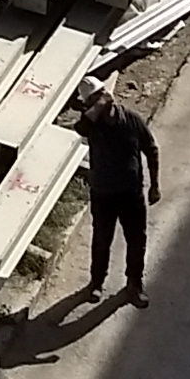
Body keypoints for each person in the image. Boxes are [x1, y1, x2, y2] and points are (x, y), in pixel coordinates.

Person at [74, 80, 161, 304]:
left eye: (103, 96)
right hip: (103, 195)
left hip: (131, 194)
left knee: (136, 239)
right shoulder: (92, 125)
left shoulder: (131, 120)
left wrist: (155, 185)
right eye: (96, 100)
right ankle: (96, 283)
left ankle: (134, 284)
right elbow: (80, 129)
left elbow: (151, 149)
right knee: (102, 239)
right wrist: (96, 106)